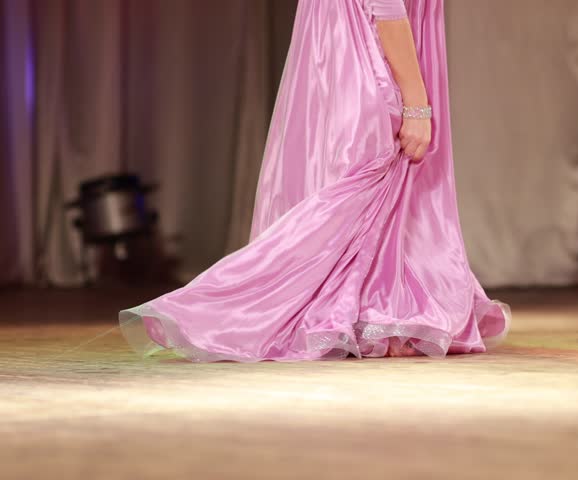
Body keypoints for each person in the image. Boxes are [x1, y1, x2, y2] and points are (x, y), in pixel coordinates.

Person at [118, 0, 511, 362]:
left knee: (386, 196)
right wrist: (416, 100)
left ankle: (379, 313)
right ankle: (222, 308)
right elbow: (386, 6)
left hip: (346, 58)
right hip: (371, 61)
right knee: (372, 187)